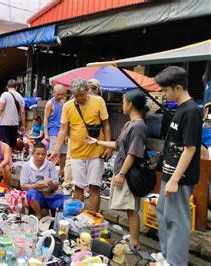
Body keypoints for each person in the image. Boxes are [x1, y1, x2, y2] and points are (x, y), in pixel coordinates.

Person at [85, 89, 147, 249]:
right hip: (124, 170)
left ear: (130, 104)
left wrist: (121, 173)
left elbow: (133, 153)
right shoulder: (130, 124)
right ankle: (133, 238)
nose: (122, 105)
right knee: (128, 207)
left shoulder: (138, 126)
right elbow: (118, 145)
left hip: (129, 173)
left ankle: (135, 242)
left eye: (124, 101)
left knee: (131, 207)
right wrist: (96, 142)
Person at [153, 66, 201, 265]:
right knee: (163, 213)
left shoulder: (191, 111)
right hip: (170, 173)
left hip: (180, 178)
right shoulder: (181, 109)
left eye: (165, 90)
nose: (163, 94)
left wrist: (174, 179)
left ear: (178, 87)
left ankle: (175, 262)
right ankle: (167, 255)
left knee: (177, 220)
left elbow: (189, 149)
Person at [50, 78, 112, 213]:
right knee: (78, 187)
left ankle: (94, 217)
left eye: (81, 95)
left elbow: (106, 125)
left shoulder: (98, 101)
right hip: (76, 153)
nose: (79, 98)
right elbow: (63, 129)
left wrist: (108, 146)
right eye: (76, 95)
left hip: (96, 152)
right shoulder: (68, 106)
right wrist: (56, 150)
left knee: (94, 186)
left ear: (87, 90)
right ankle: (79, 217)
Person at [20, 142, 67, 219]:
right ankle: (38, 214)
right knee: (31, 193)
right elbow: (23, 186)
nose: (41, 157)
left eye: (43, 154)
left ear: (46, 154)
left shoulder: (50, 166)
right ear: (32, 154)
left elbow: (56, 187)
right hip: (36, 196)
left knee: (66, 201)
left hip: (50, 196)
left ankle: (54, 213)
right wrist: (34, 186)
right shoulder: (26, 166)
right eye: (37, 154)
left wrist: (50, 183)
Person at [0, 79, 26, 149]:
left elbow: (0, 109)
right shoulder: (20, 97)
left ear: (7, 87)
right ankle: (9, 158)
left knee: (4, 143)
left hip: (4, 123)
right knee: (12, 144)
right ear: (16, 87)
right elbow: (22, 112)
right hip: (15, 124)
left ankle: (6, 158)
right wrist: (23, 125)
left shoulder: (5, 94)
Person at [44, 84, 67, 177]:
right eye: (58, 94)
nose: (60, 96)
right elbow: (46, 118)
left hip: (63, 130)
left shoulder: (64, 103)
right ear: (53, 93)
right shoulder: (50, 103)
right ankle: (49, 173)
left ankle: (61, 171)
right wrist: (46, 134)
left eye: (62, 94)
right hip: (53, 131)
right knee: (53, 153)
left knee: (64, 153)